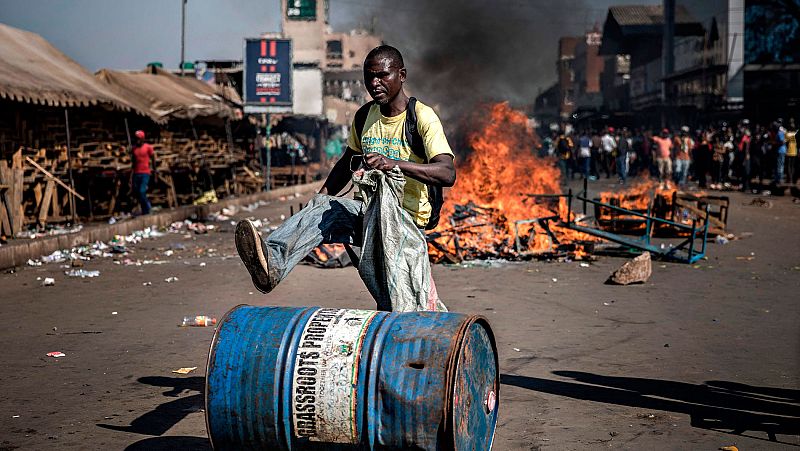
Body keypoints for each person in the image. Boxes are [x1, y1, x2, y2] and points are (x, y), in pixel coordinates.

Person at [234, 45, 456, 311]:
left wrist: (393, 163)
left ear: (402, 75)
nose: (375, 83)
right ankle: (271, 264)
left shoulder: (421, 117)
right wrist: (321, 197)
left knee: (401, 307)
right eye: (369, 77)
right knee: (323, 209)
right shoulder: (364, 116)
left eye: (383, 75)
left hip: (404, 225)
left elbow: (447, 172)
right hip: (368, 215)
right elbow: (345, 164)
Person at [131, 130, 155, 215]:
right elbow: (133, 162)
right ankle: (145, 211)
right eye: (136, 138)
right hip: (136, 173)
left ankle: (148, 208)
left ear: (142, 139)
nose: (137, 140)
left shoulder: (148, 147)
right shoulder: (134, 149)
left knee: (142, 191)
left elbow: (153, 158)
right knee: (137, 192)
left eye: (138, 138)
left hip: (145, 172)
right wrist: (132, 175)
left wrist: (155, 170)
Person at [786, 119, 797, 185]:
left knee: (789, 166)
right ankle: (792, 179)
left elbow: (785, 141)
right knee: (793, 166)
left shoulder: (788, 134)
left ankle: (789, 179)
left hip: (789, 151)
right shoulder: (796, 133)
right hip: (794, 151)